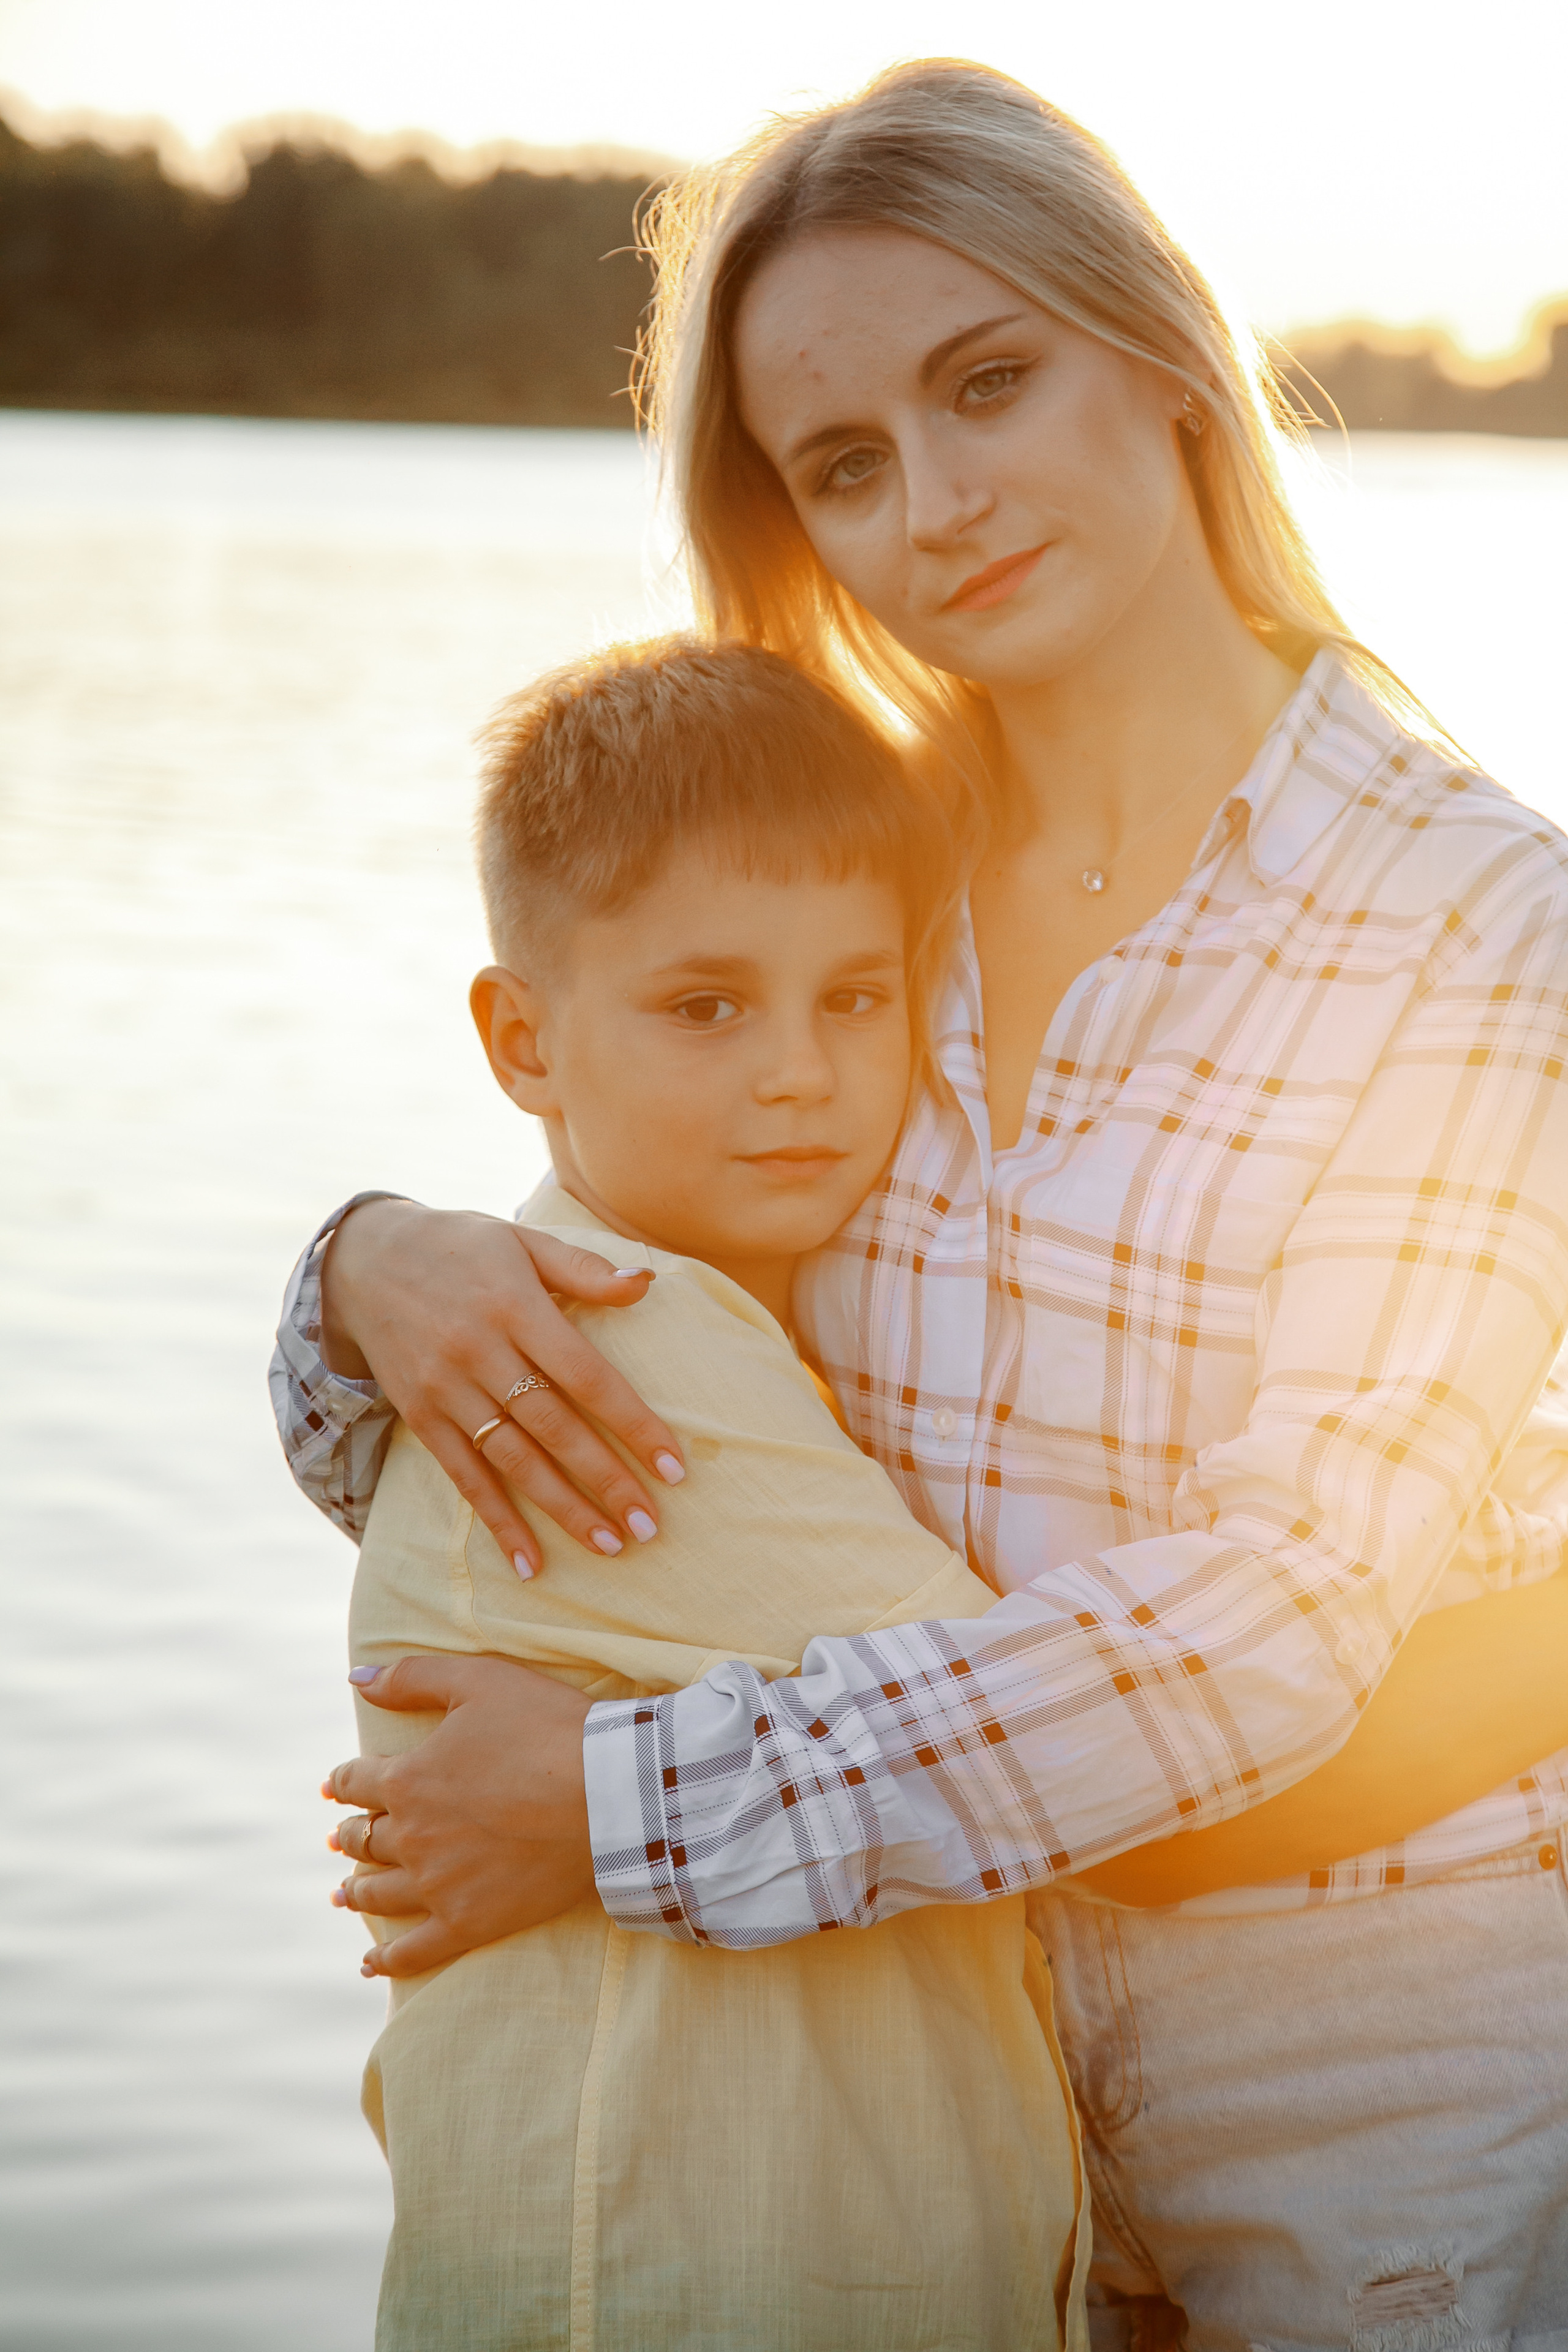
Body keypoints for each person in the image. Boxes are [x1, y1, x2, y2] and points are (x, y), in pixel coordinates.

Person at [289, 61, 1568, 2348]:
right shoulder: (856, 879)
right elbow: (629, 1358)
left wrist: (622, 1804)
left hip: (1359, 2042)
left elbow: (1292, 1605)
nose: (939, 505)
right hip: (913, 2032)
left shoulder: (1472, 921)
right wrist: (363, 1276)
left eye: (989, 384)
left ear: (1163, 355)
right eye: (845, 463)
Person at [339, 635, 1089, 2351]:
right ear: (522, 1040)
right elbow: (1044, 1735)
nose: (800, 1072)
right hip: (672, 2287)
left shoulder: (722, 1323)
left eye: (858, 997)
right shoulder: (631, 1344)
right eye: (706, 1007)